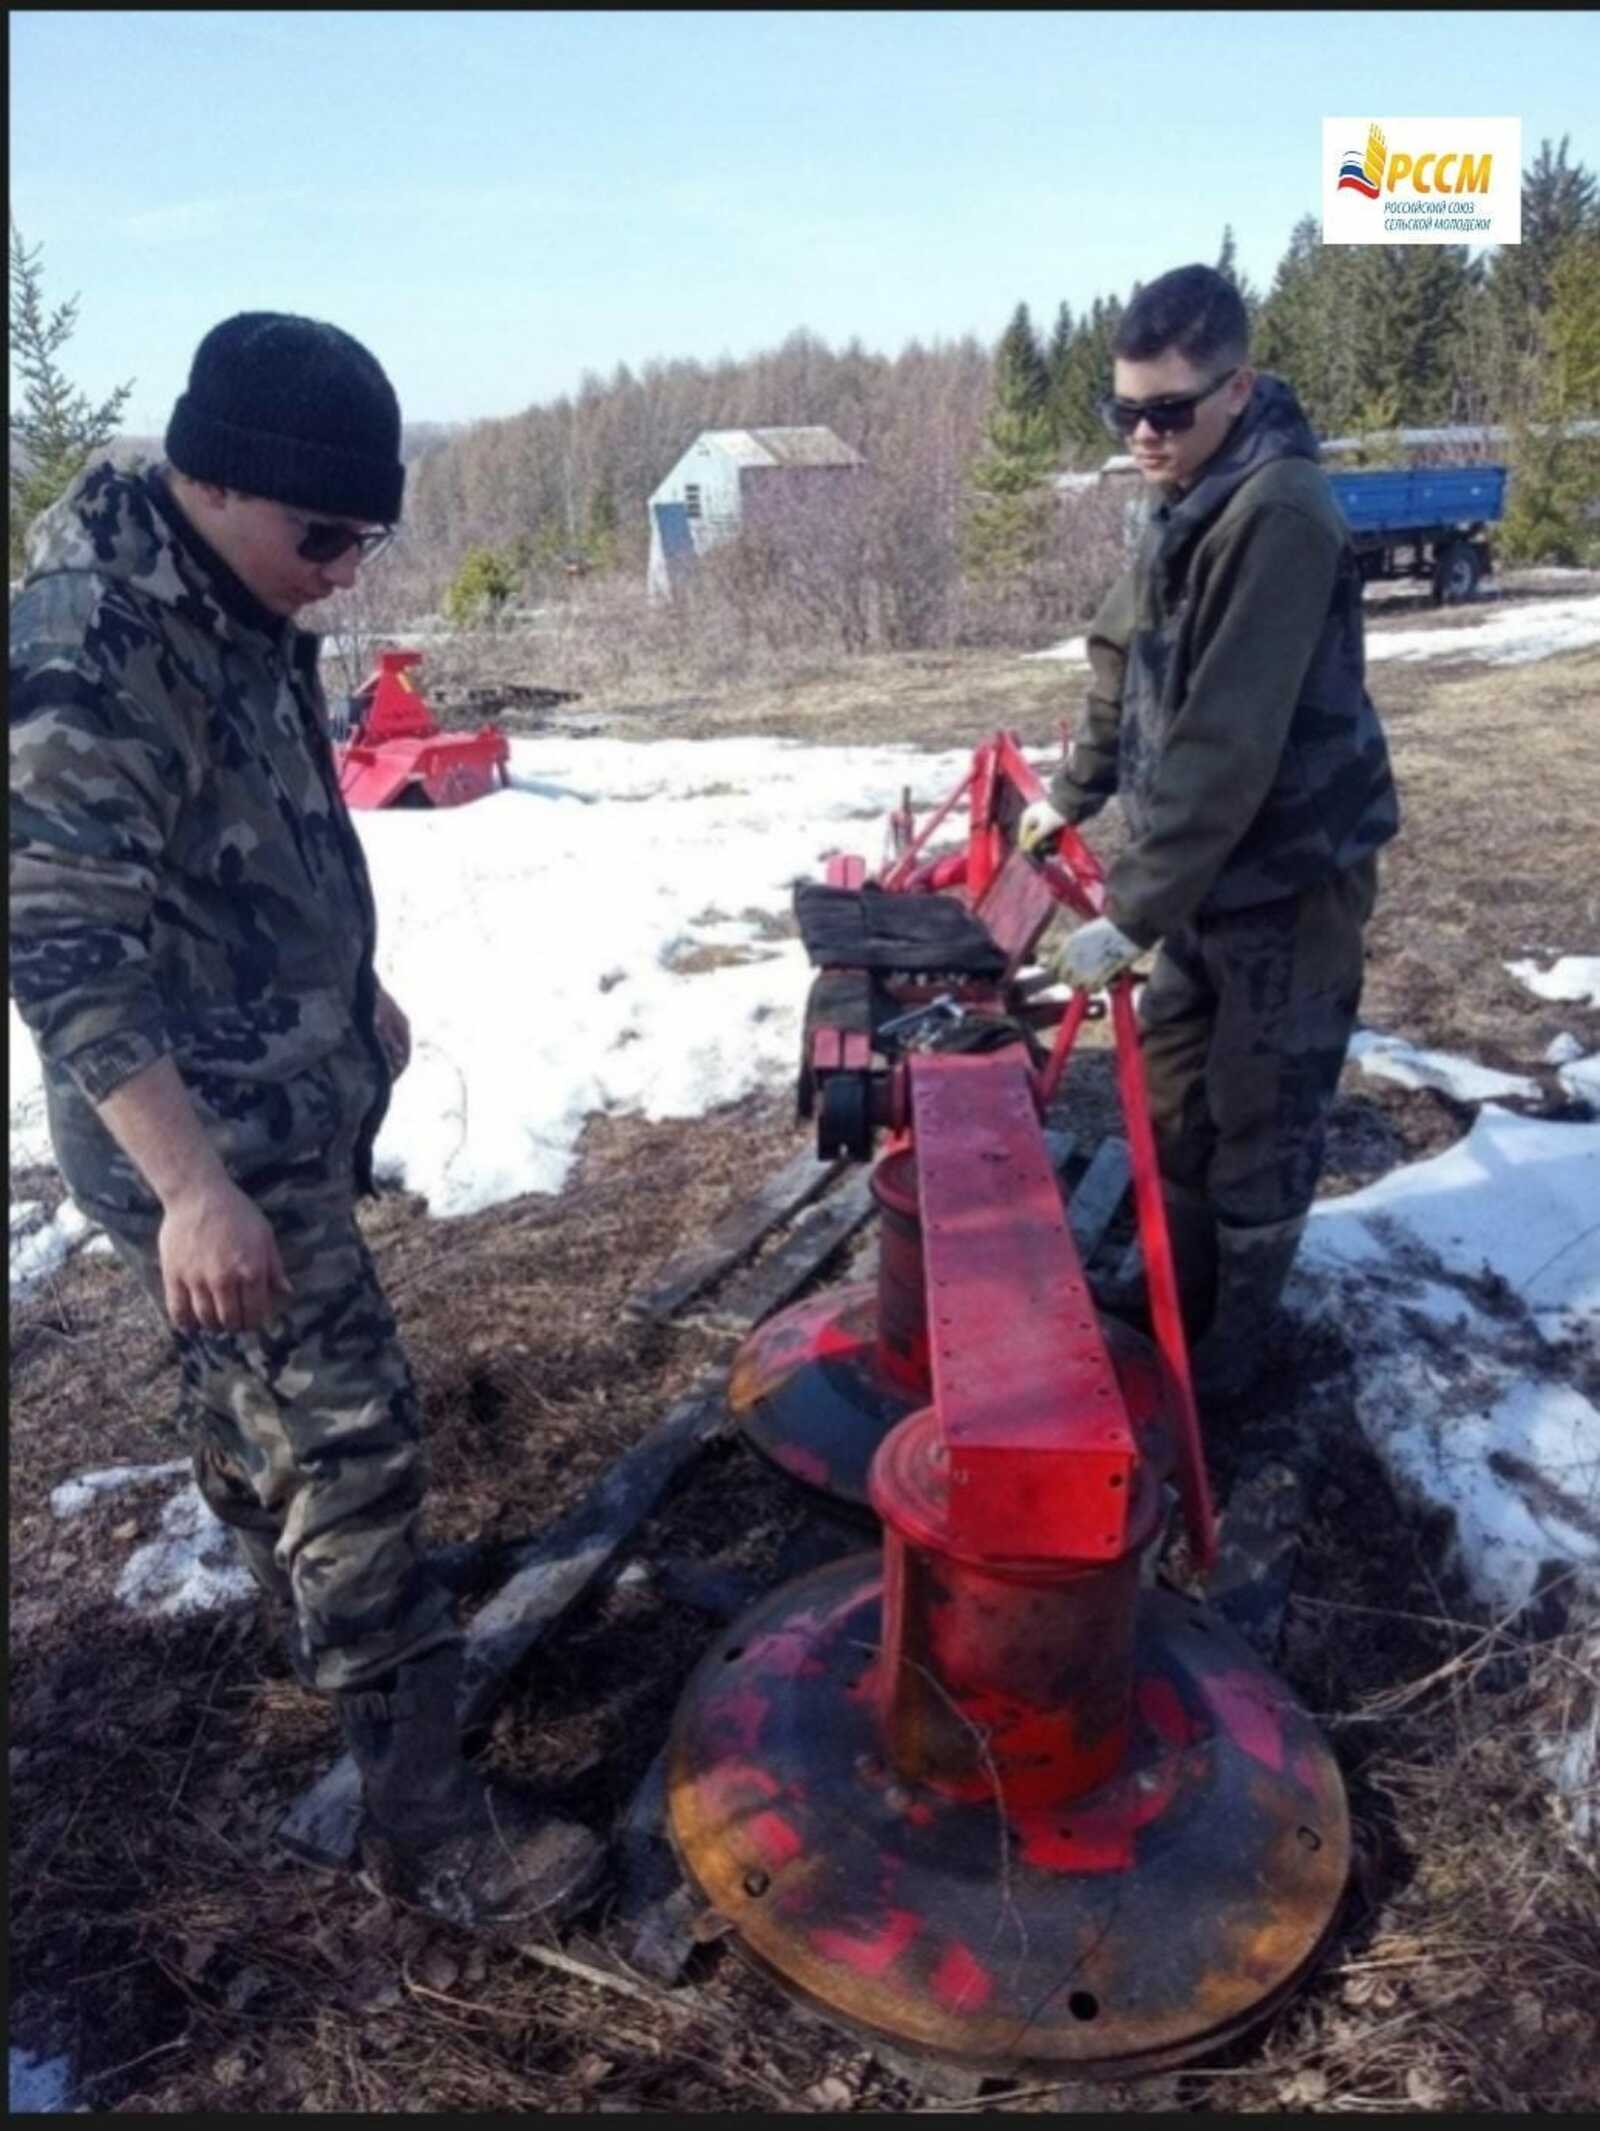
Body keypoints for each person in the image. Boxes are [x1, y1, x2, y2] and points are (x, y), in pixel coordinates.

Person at [9, 312, 603, 1930]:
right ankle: (429, 1828)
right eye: (324, 536)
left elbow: (256, 819)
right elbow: (56, 934)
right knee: (349, 1433)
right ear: (221, 481)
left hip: (276, 1074)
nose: (347, 570)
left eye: (368, 537)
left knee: (249, 1389)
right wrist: (196, 1190)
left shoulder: (235, 576)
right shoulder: (98, 636)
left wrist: (358, 994)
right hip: (194, 1128)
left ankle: (310, 1623)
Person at [1019, 264, 1399, 1403]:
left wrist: (1129, 911)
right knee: (1177, 1093)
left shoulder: (1277, 508)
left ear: (1238, 390)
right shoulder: (1179, 486)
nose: (1142, 433)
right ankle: (1176, 1297)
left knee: (1262, 1109)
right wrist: (1073, 791)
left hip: (1288, 872)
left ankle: (1233, 1354)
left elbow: (1225, 740)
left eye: (1168, 411)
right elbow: (1121, 659)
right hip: (1203, 875)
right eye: (1123, 410)